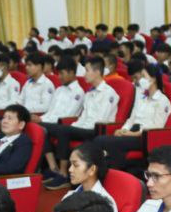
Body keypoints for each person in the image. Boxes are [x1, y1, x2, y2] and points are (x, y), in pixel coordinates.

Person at [42, 56, 119, 184]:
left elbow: (101, 120)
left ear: (97, 72)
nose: (84, 75)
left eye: (87, 70)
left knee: (63, 130)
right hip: (84, 128)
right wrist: (73, 126)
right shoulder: (89, 93)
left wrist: (72, 128)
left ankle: (63, 173)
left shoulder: (109, 93)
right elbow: (83, 117)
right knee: (45, 128)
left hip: (97, 130)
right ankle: (54, 169)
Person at [98, 61, 171, 172]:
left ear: (153, 79)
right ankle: (112, 170)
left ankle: (112, 172)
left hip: (144, 138)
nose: (140, 80)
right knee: (101, 140)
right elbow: (131, 119)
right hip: (132, 132)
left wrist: (132, 134)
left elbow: (156, 128)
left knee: (108, 142)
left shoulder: (162, 101)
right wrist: (123, 130)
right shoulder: (142, 98)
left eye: (144, 76)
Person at [47, 142, 117, 212]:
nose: (70, 169)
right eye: (70, 164)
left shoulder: (105, 204)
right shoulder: (70, 195)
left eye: (76, 165)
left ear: (92, 169)